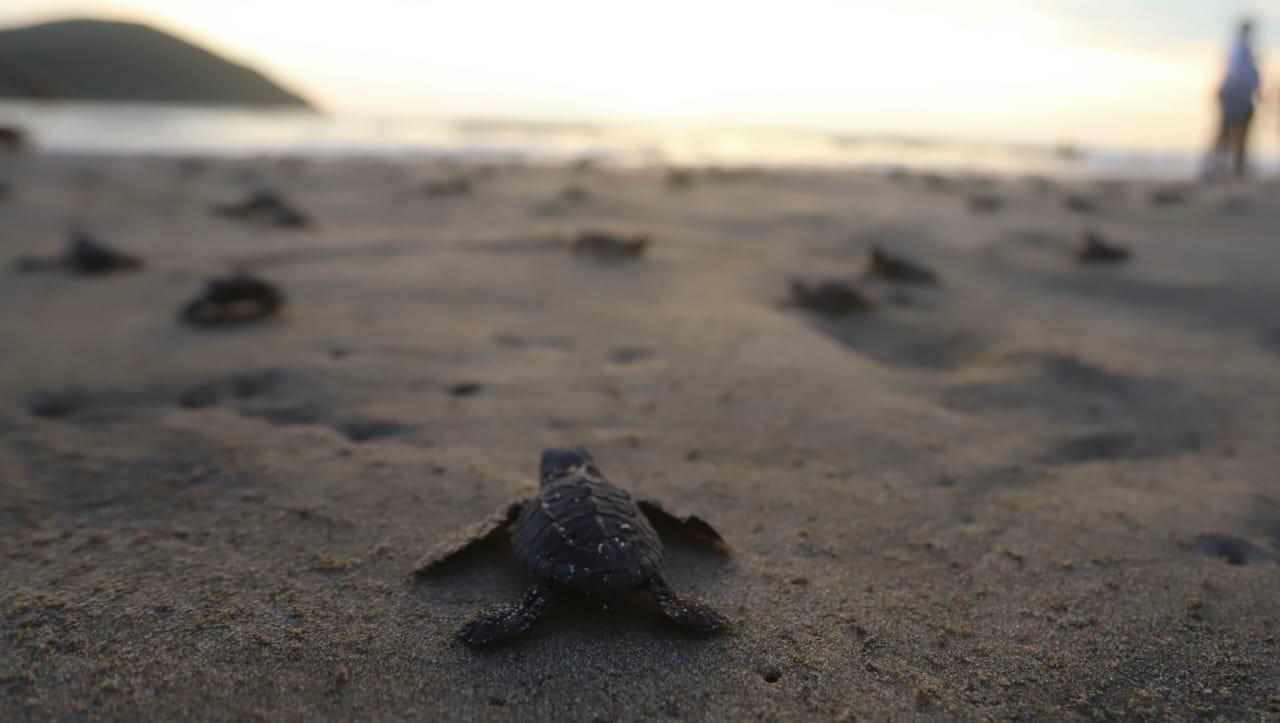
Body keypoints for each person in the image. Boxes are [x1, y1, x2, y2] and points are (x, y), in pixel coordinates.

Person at [1207, 20, 1261, 179]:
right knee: (1230, 130)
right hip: (1236, 94)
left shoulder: (1239, 48)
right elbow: (1241, 74)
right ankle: (1224, 166)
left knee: (1230, 130)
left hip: (1235, 93)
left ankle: (1229, 166)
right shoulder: (1241, 48)